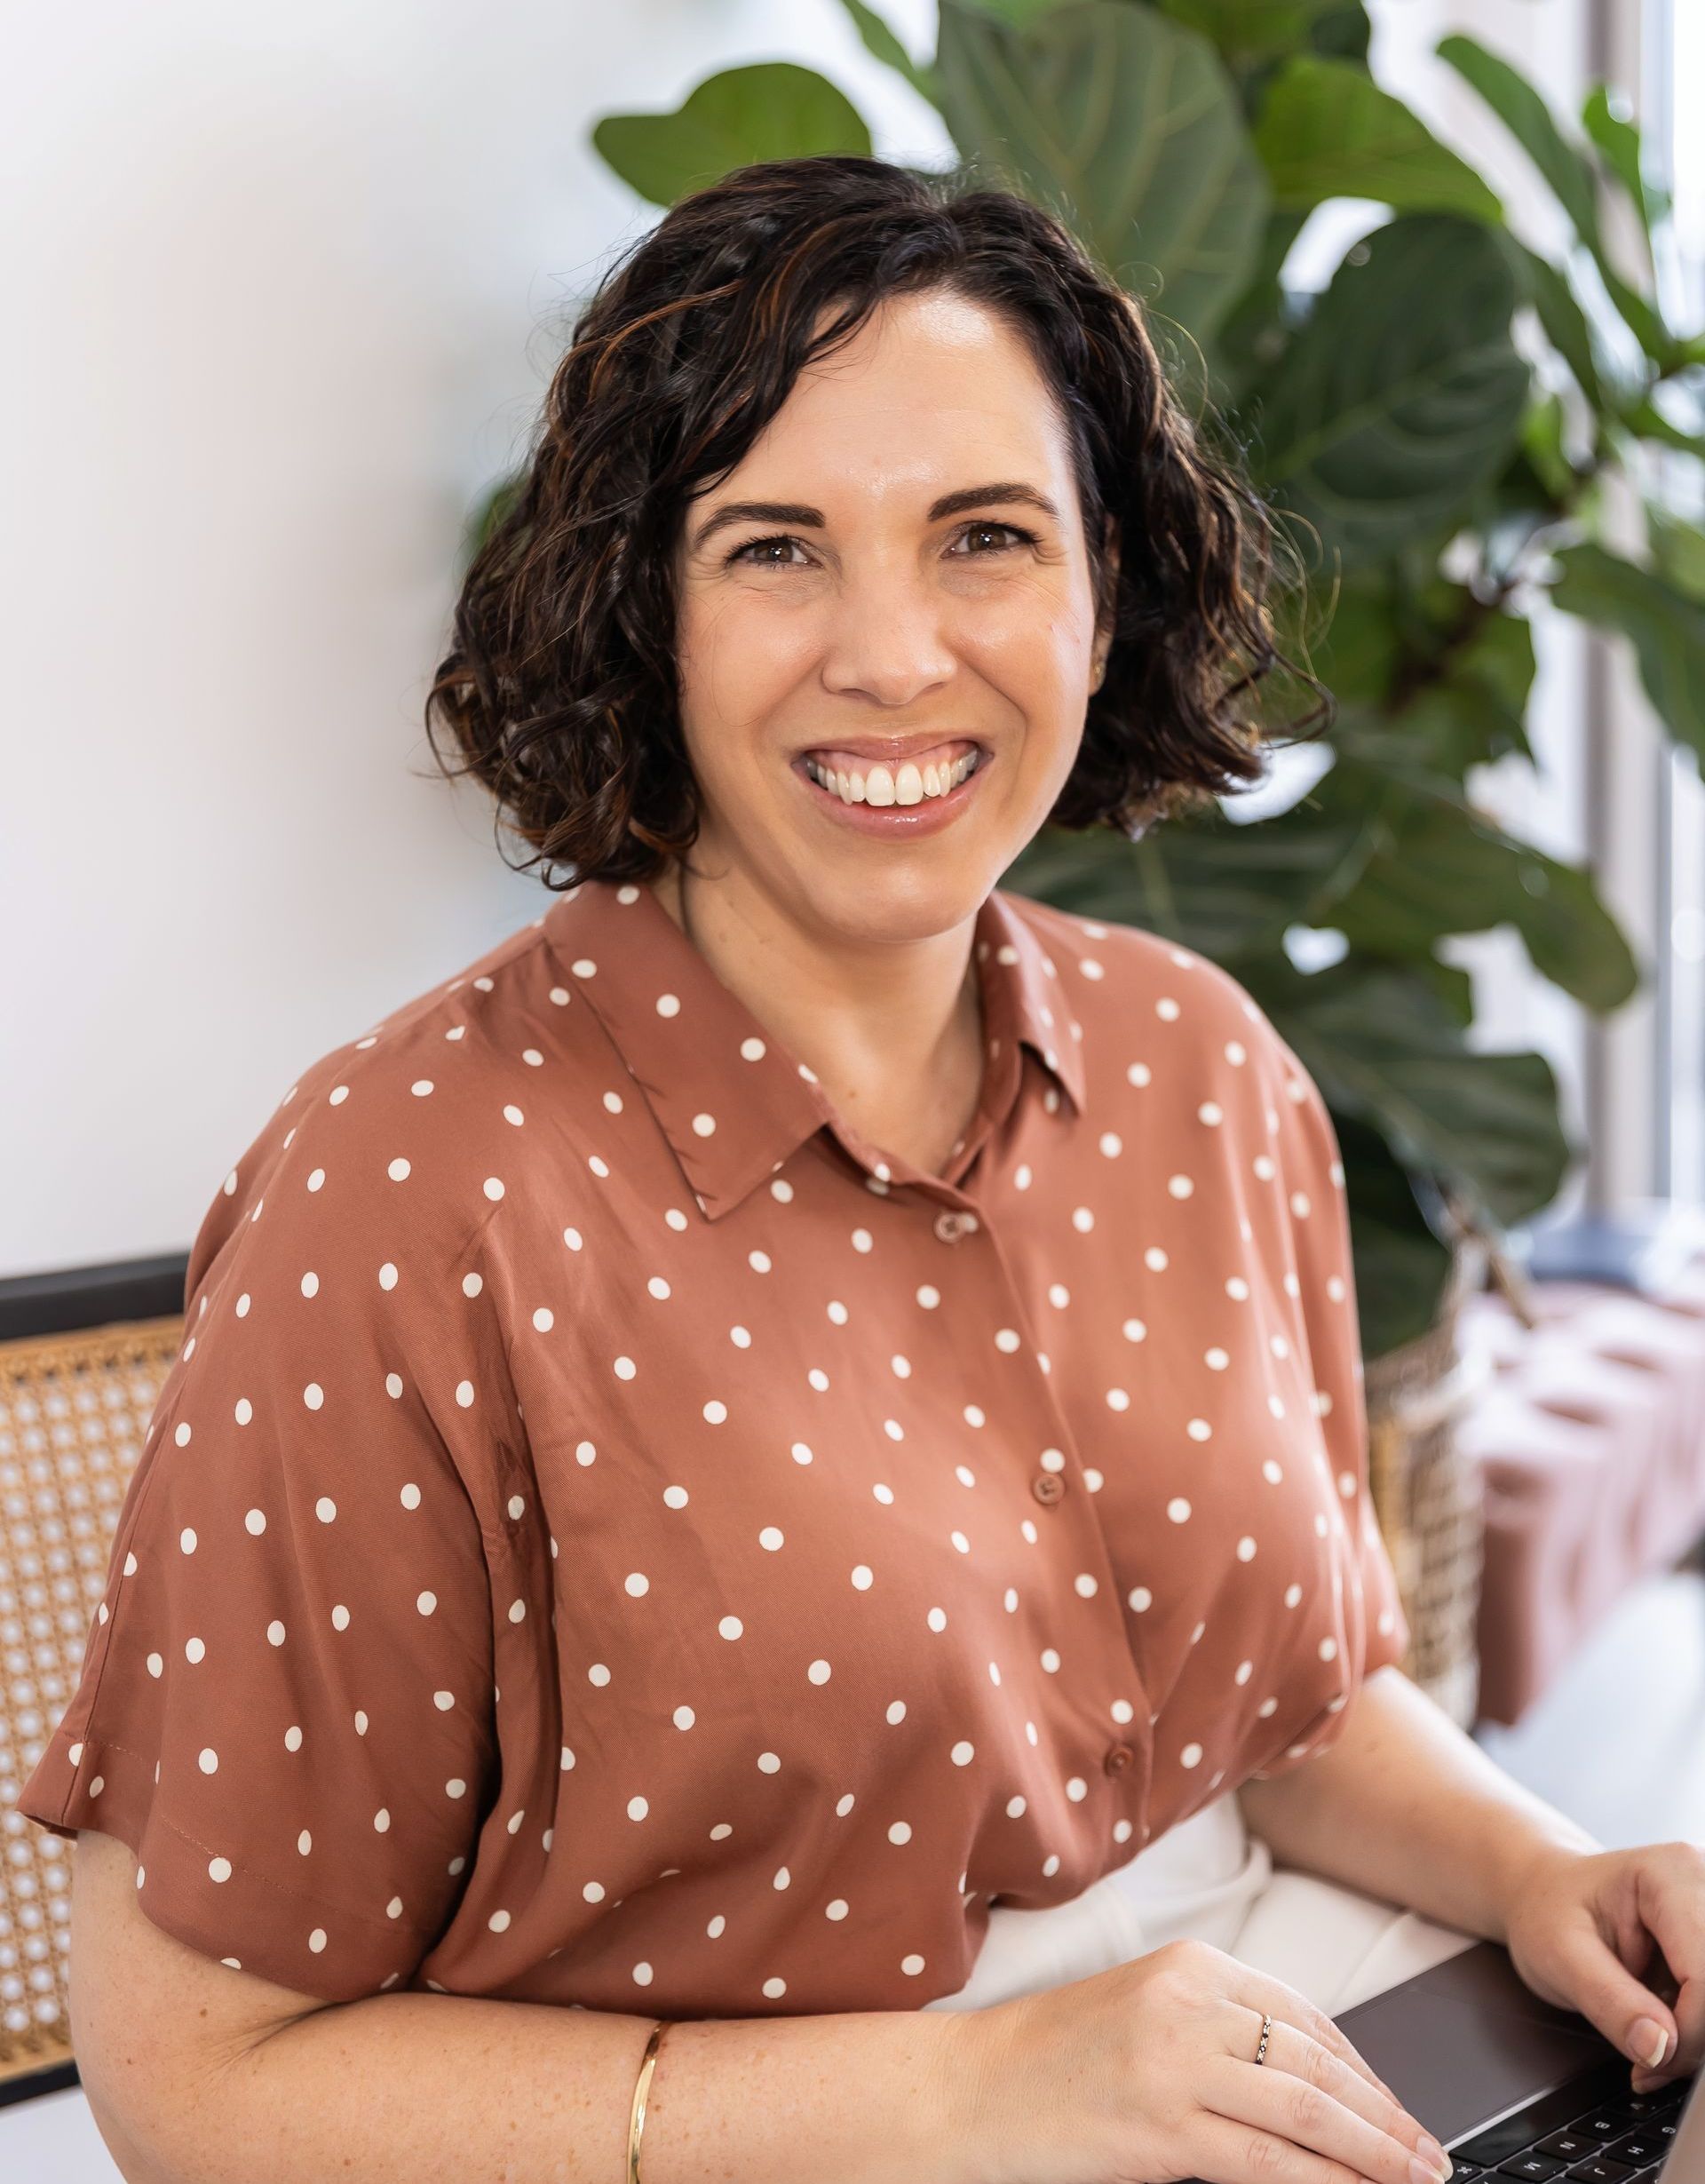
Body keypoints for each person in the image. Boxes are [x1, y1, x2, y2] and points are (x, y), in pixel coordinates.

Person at [20, 154, 1699, 2184]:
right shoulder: (402, 1195)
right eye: (776, 549)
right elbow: (198, 2088)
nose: (895, 655)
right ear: (644, 607)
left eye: (984, 535)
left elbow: (1292, 1714)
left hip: (1283, 2048)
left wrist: (1545, 1873)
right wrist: (978, 2094)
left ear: (1108, 589)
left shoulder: (1208, 1068)